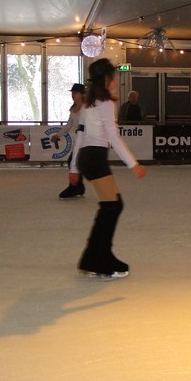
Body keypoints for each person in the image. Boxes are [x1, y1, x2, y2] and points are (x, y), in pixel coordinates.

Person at [69, 58, 146, 278]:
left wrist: (74, 167)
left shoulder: (89, 103)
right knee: (111, 207)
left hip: (87, 157)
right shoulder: (104, 104)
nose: (115, 80)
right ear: (106, 79)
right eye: (113, 76)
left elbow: (80, 135)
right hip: (94, 157)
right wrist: (133, 164)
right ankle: (98, 259)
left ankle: (94, 256)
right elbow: (112, 137)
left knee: (111, 206)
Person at [51, 83, 86, 199]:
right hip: (79, 139)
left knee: (74, 161)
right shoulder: (73, 109)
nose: (73, 95)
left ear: (81, 94)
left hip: (87, 139)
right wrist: (58, 135)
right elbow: (69, 125)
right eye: (72, 93)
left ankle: (75, 186)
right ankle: (77, 186)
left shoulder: (87, 108)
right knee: (74, 161)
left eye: (75, 93)